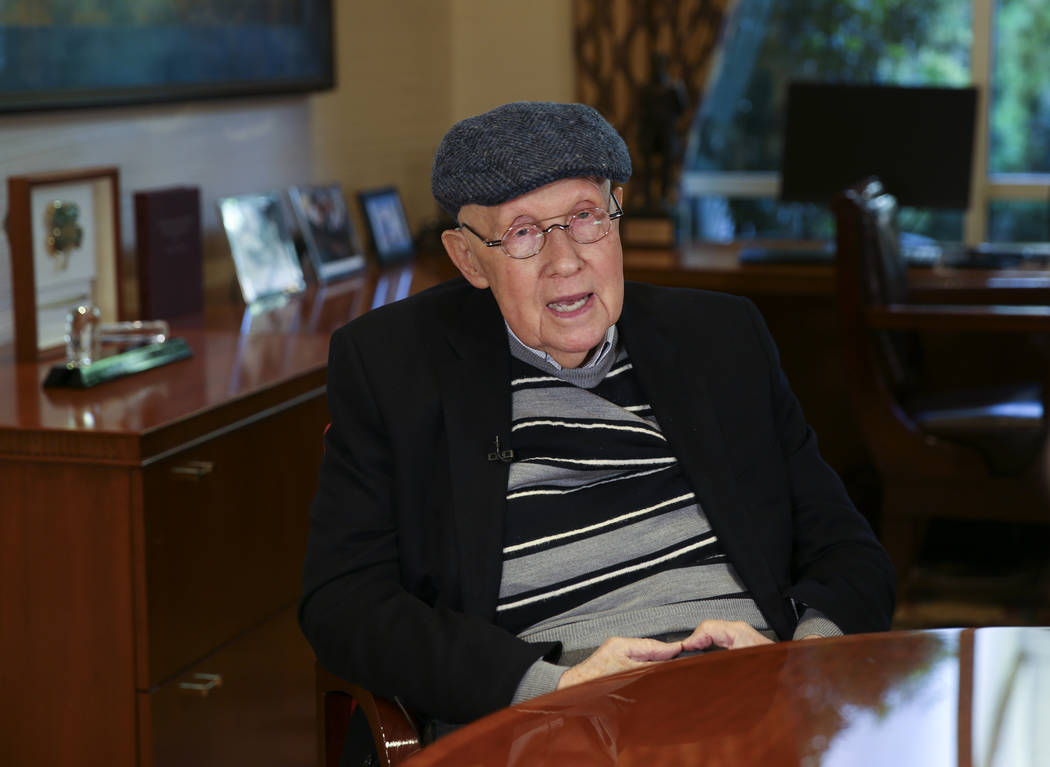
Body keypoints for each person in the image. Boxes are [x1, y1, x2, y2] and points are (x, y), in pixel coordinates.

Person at [299, 102, 895, 755]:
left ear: (616, 216)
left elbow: (850, 551)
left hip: (752, 710)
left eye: (584, 217)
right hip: (553, 726)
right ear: (470, 260)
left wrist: (798, 661)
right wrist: (547, 685)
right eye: (524, 232)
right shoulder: (394, 368)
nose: (565, 262)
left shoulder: (720, 340)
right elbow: (343, 600)